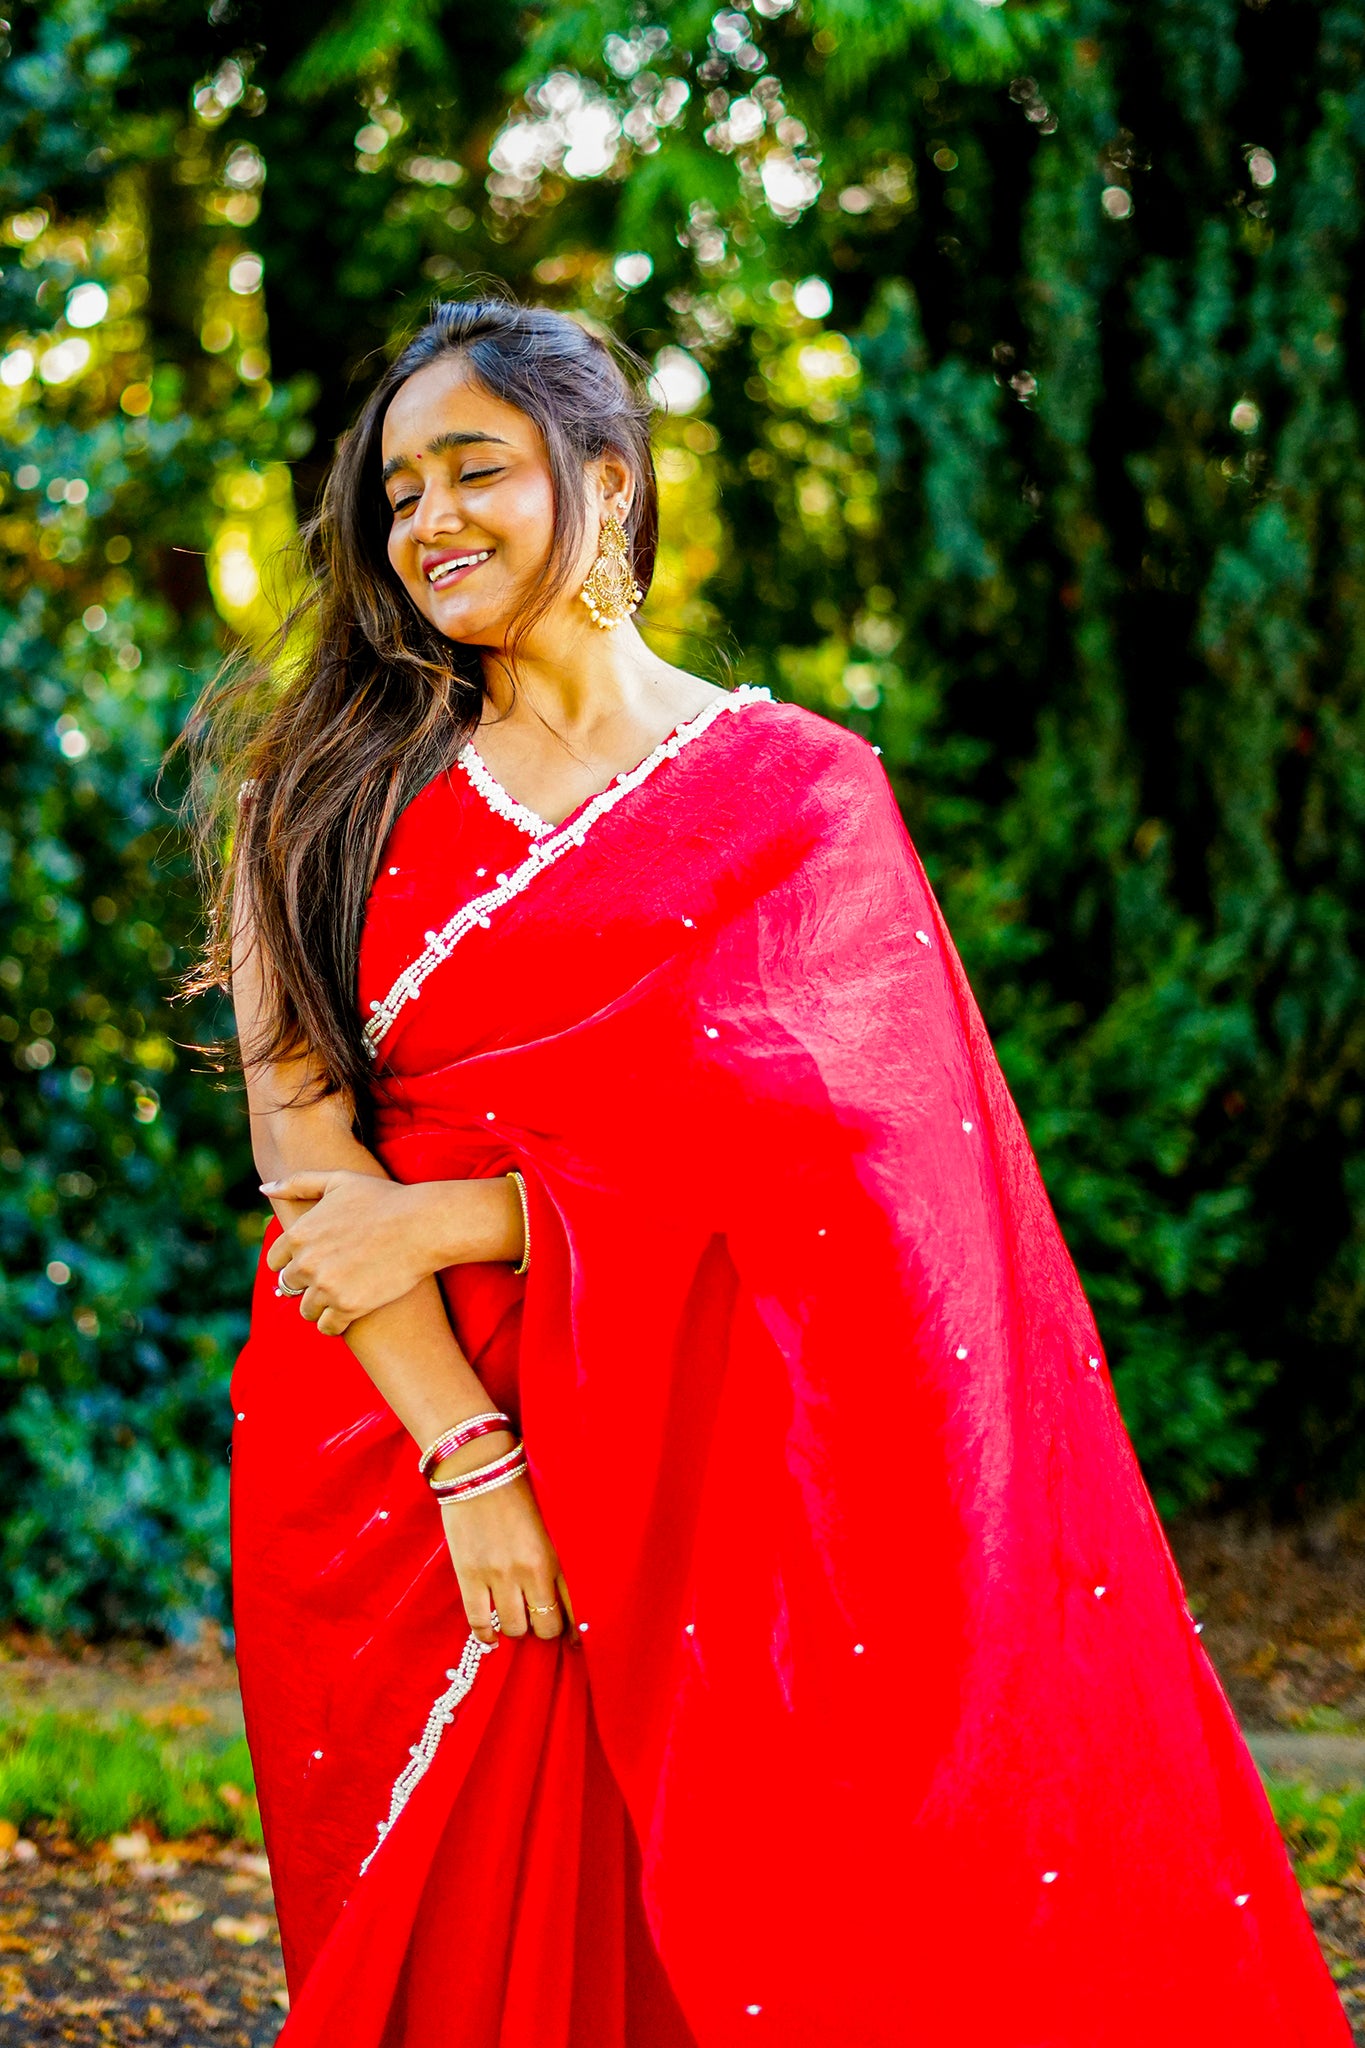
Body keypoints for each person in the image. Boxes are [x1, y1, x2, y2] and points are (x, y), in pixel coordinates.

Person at [187, 297, 1350, 2046]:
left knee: (734, 1925)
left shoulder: (795, 794)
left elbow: (859, 1168)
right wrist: (471, 1456)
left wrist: (475, 1214)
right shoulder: (321, 789)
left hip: (707, 1437)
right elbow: (304, 1158)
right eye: (398, 490)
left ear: (604, 480)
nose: (428, 520)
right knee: (449, 1956)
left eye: (475, 469)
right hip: (390, 1444)